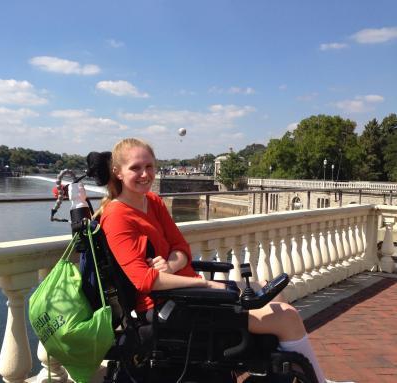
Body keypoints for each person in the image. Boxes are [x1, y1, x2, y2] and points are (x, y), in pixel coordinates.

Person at [96, 138, 351, 383]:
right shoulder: (117, 216)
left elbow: (181, 247)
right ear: (118, 172)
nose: (145, 174)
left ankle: (285, 370)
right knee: (287, 317)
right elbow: (144, 280)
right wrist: (205, 285)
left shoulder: (151, 201)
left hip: (184, 293)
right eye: (136, 168)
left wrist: (171, 265)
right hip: (167, 308)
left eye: (149, 166)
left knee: (273, 293)